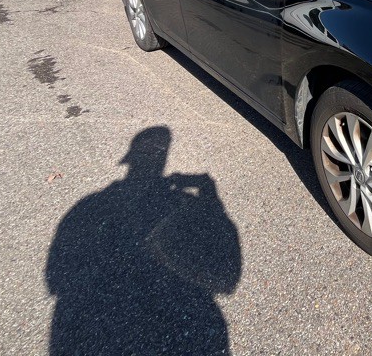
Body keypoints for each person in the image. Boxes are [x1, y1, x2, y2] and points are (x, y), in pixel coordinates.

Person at [46, 127, 241, 355]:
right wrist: (209, 194)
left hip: (98, 320)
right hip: (194, 315)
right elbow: (227, 280)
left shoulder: (90, 205)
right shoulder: (181, 200)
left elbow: (56, 280)